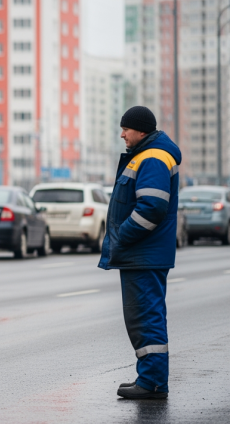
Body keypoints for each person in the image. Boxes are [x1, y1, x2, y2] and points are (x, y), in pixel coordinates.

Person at [98, 106, 181, 399]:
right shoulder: (148, 155)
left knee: (146, 317)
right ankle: (150, 378)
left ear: (141, 130)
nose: (122, 134)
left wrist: (121, 237)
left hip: (143, 253)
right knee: (142, 317)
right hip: (141, 254)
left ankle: (153, 383)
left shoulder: (154, 158)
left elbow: (152, 208)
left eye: (126, 129)